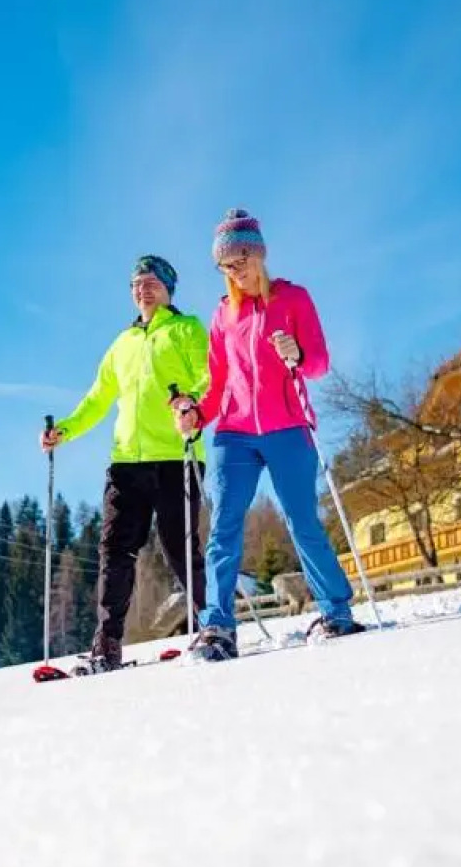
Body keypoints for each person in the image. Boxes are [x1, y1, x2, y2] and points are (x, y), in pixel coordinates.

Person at [173, 209, 364, 661]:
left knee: (302, 521)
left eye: (238, 260)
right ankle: (218, 627)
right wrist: (197, 413)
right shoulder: (224, 316)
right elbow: (218, 385)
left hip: (288, 427)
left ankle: (336, 611)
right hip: (234, 432)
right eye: (224, 266)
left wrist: (296, 353)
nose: (232, 272)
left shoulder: (293, 299)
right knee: (223, 528)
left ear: (257, 254)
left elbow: (317, 364)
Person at [40, 255, 210, 671]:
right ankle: (108, 642)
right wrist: (65, 429)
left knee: (179, 548)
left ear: (169, 287)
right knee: (115, 551)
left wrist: (193, 406)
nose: (142, 289)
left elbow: (209, 376)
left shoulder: (187, 329)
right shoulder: (122, 344)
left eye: (151, 281)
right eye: (136, 283)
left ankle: (212, 624)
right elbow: (98, 398)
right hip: (126, 463)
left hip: (176, 455)